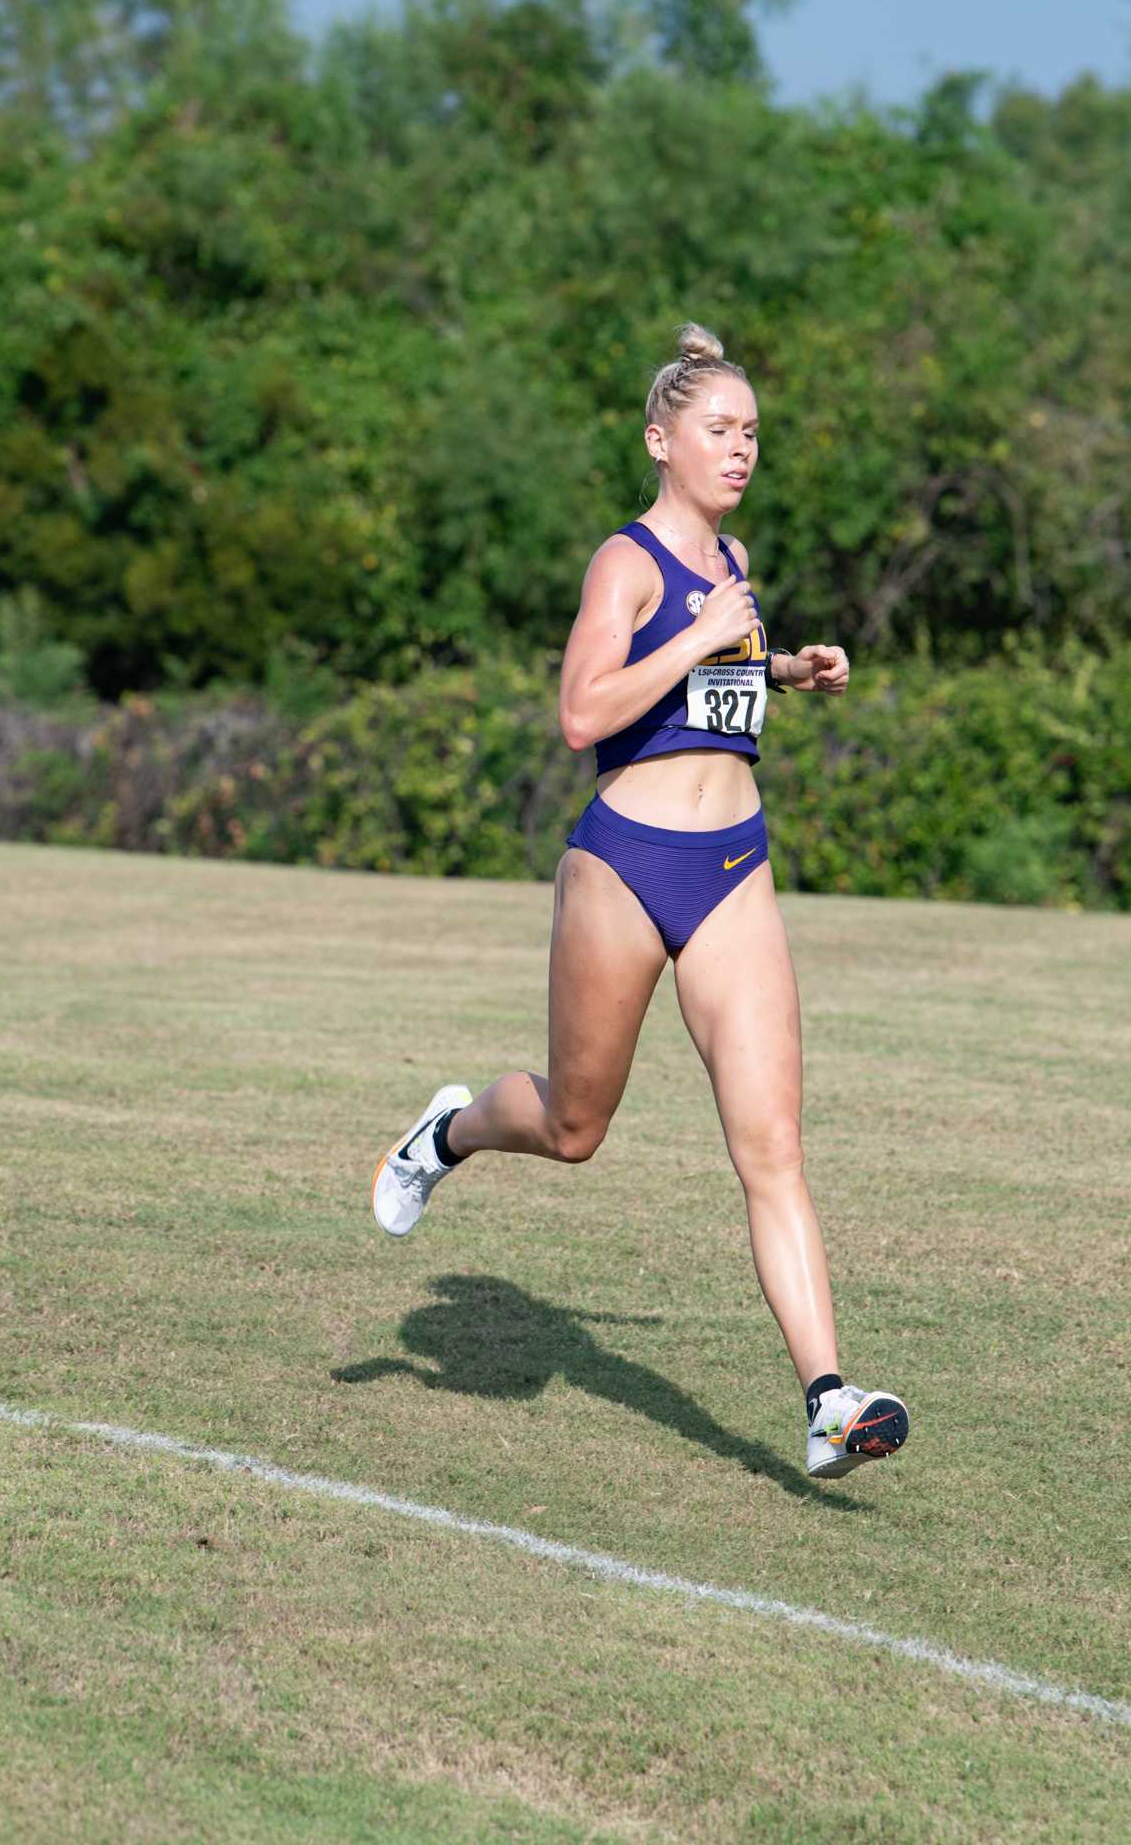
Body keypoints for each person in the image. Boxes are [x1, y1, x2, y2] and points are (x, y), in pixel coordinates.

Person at [372, 324, 909, 1480]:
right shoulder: (627, 563)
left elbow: (705, 694)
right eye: (721, 429)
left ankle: (827, 1397)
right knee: (574, 1126)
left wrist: (776, 672)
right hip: (624, 862)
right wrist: (712, 635)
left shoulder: (736, 560)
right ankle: (450, 1132)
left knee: (774, 1146)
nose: (742, 449)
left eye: (753, 430)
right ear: (661, 440)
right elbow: (583, 713)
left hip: (734, 871)